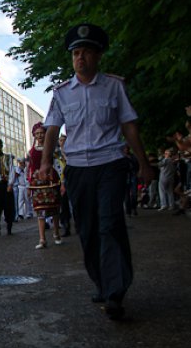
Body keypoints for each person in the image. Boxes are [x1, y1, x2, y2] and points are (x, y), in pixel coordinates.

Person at [39, 23, 153, 320]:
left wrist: (143, 162)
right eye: (76, 53)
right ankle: (103, 284)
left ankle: (116, 291)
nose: (81, 57)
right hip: (78, 169)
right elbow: (52, 128)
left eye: (87, 52)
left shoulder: (114, 86)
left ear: (98, 56)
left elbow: (128, 125)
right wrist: (45, 162)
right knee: (88, 229)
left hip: (110, 164)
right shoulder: (62, 93)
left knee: (109, 223)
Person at [27, 122, 62, 249]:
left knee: (54, 209)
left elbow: (59, 165)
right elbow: (29, 169)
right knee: (40, 211)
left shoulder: (53, 149)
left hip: (51, 182)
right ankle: (42, 239)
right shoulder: (31, 152)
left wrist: (62, 181)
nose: (40, 135)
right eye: (37, 134)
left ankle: (56, 233)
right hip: (37, 185)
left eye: (41, 133)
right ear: (34, 136)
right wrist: (28, 184)